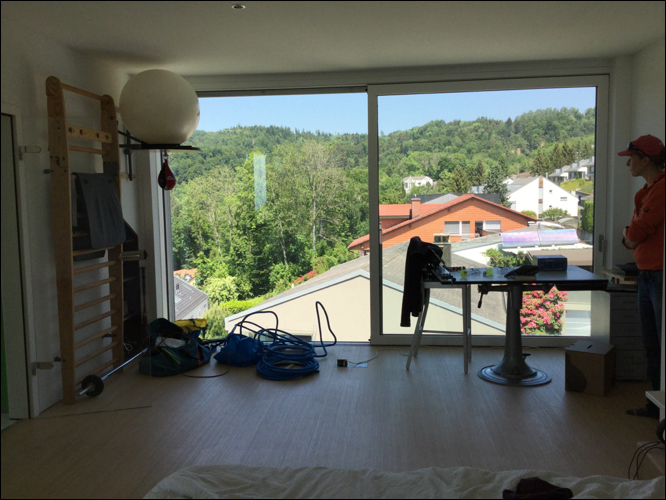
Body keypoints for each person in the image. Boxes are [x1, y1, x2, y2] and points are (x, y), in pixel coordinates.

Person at [618, 134, 665, 419]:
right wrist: (631, 236)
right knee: (652, 345)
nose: (628, 165)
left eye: (631, 159)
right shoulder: (645, 192)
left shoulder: (662, 188)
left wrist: (631, 236)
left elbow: (635, 233)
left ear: (645, 160)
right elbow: (632, 237)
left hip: (659, 277)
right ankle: (656, 406)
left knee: (661, 345)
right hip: (646, 276)